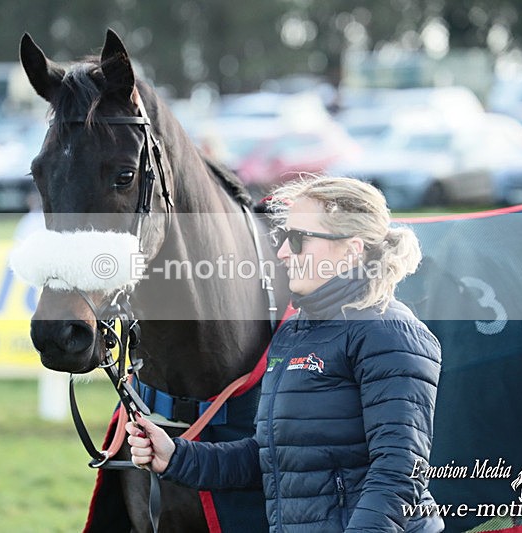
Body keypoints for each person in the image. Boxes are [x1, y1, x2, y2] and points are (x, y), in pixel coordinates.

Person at [127, 175, 443, 532]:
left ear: (352, 249)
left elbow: (400, 474)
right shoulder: (295, 331)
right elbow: (272, 457)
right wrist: (175, 456)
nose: (282, 252)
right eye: (282, 238)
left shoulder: (389, 333)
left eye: (298, 240)